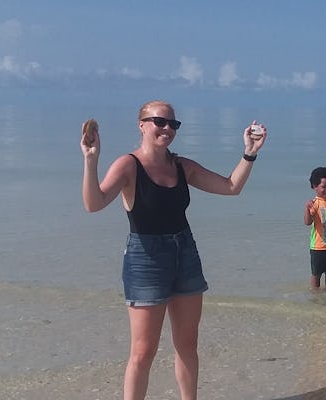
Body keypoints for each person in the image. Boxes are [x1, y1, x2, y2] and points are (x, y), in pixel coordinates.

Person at [80, 99, 266, 400]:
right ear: (142, 125)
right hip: (145, 259)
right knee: (143, 352)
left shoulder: (182, 166)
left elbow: (231, 187)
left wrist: (250, 154)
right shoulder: (128, 165)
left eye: (173, 124)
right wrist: (91, 160)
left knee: (187, 344)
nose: (167, 129)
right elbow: (94, 203)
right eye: (160, 122)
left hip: (185, 254)